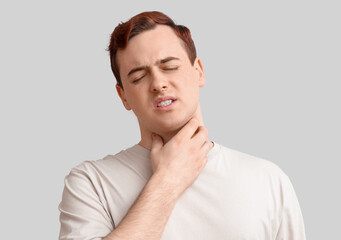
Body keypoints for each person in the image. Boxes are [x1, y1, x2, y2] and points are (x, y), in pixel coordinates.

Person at [59, 11, 306, 240]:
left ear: (198, 71)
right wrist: (168, 180)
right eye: (138, 77)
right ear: (123, 96)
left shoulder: (268, 179)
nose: (158, 83)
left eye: (170, 67)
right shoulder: (91, 182)